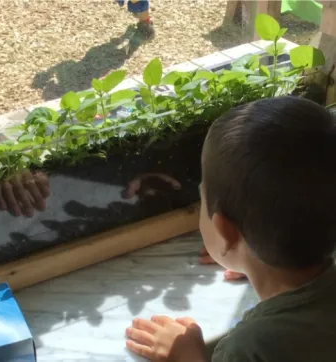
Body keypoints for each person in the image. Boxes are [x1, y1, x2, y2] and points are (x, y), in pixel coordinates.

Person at [125, 96, 336, 361]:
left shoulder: (250, 348)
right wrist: (258, 259)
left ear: (226, 232)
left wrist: (187, 356)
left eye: (202, 199)